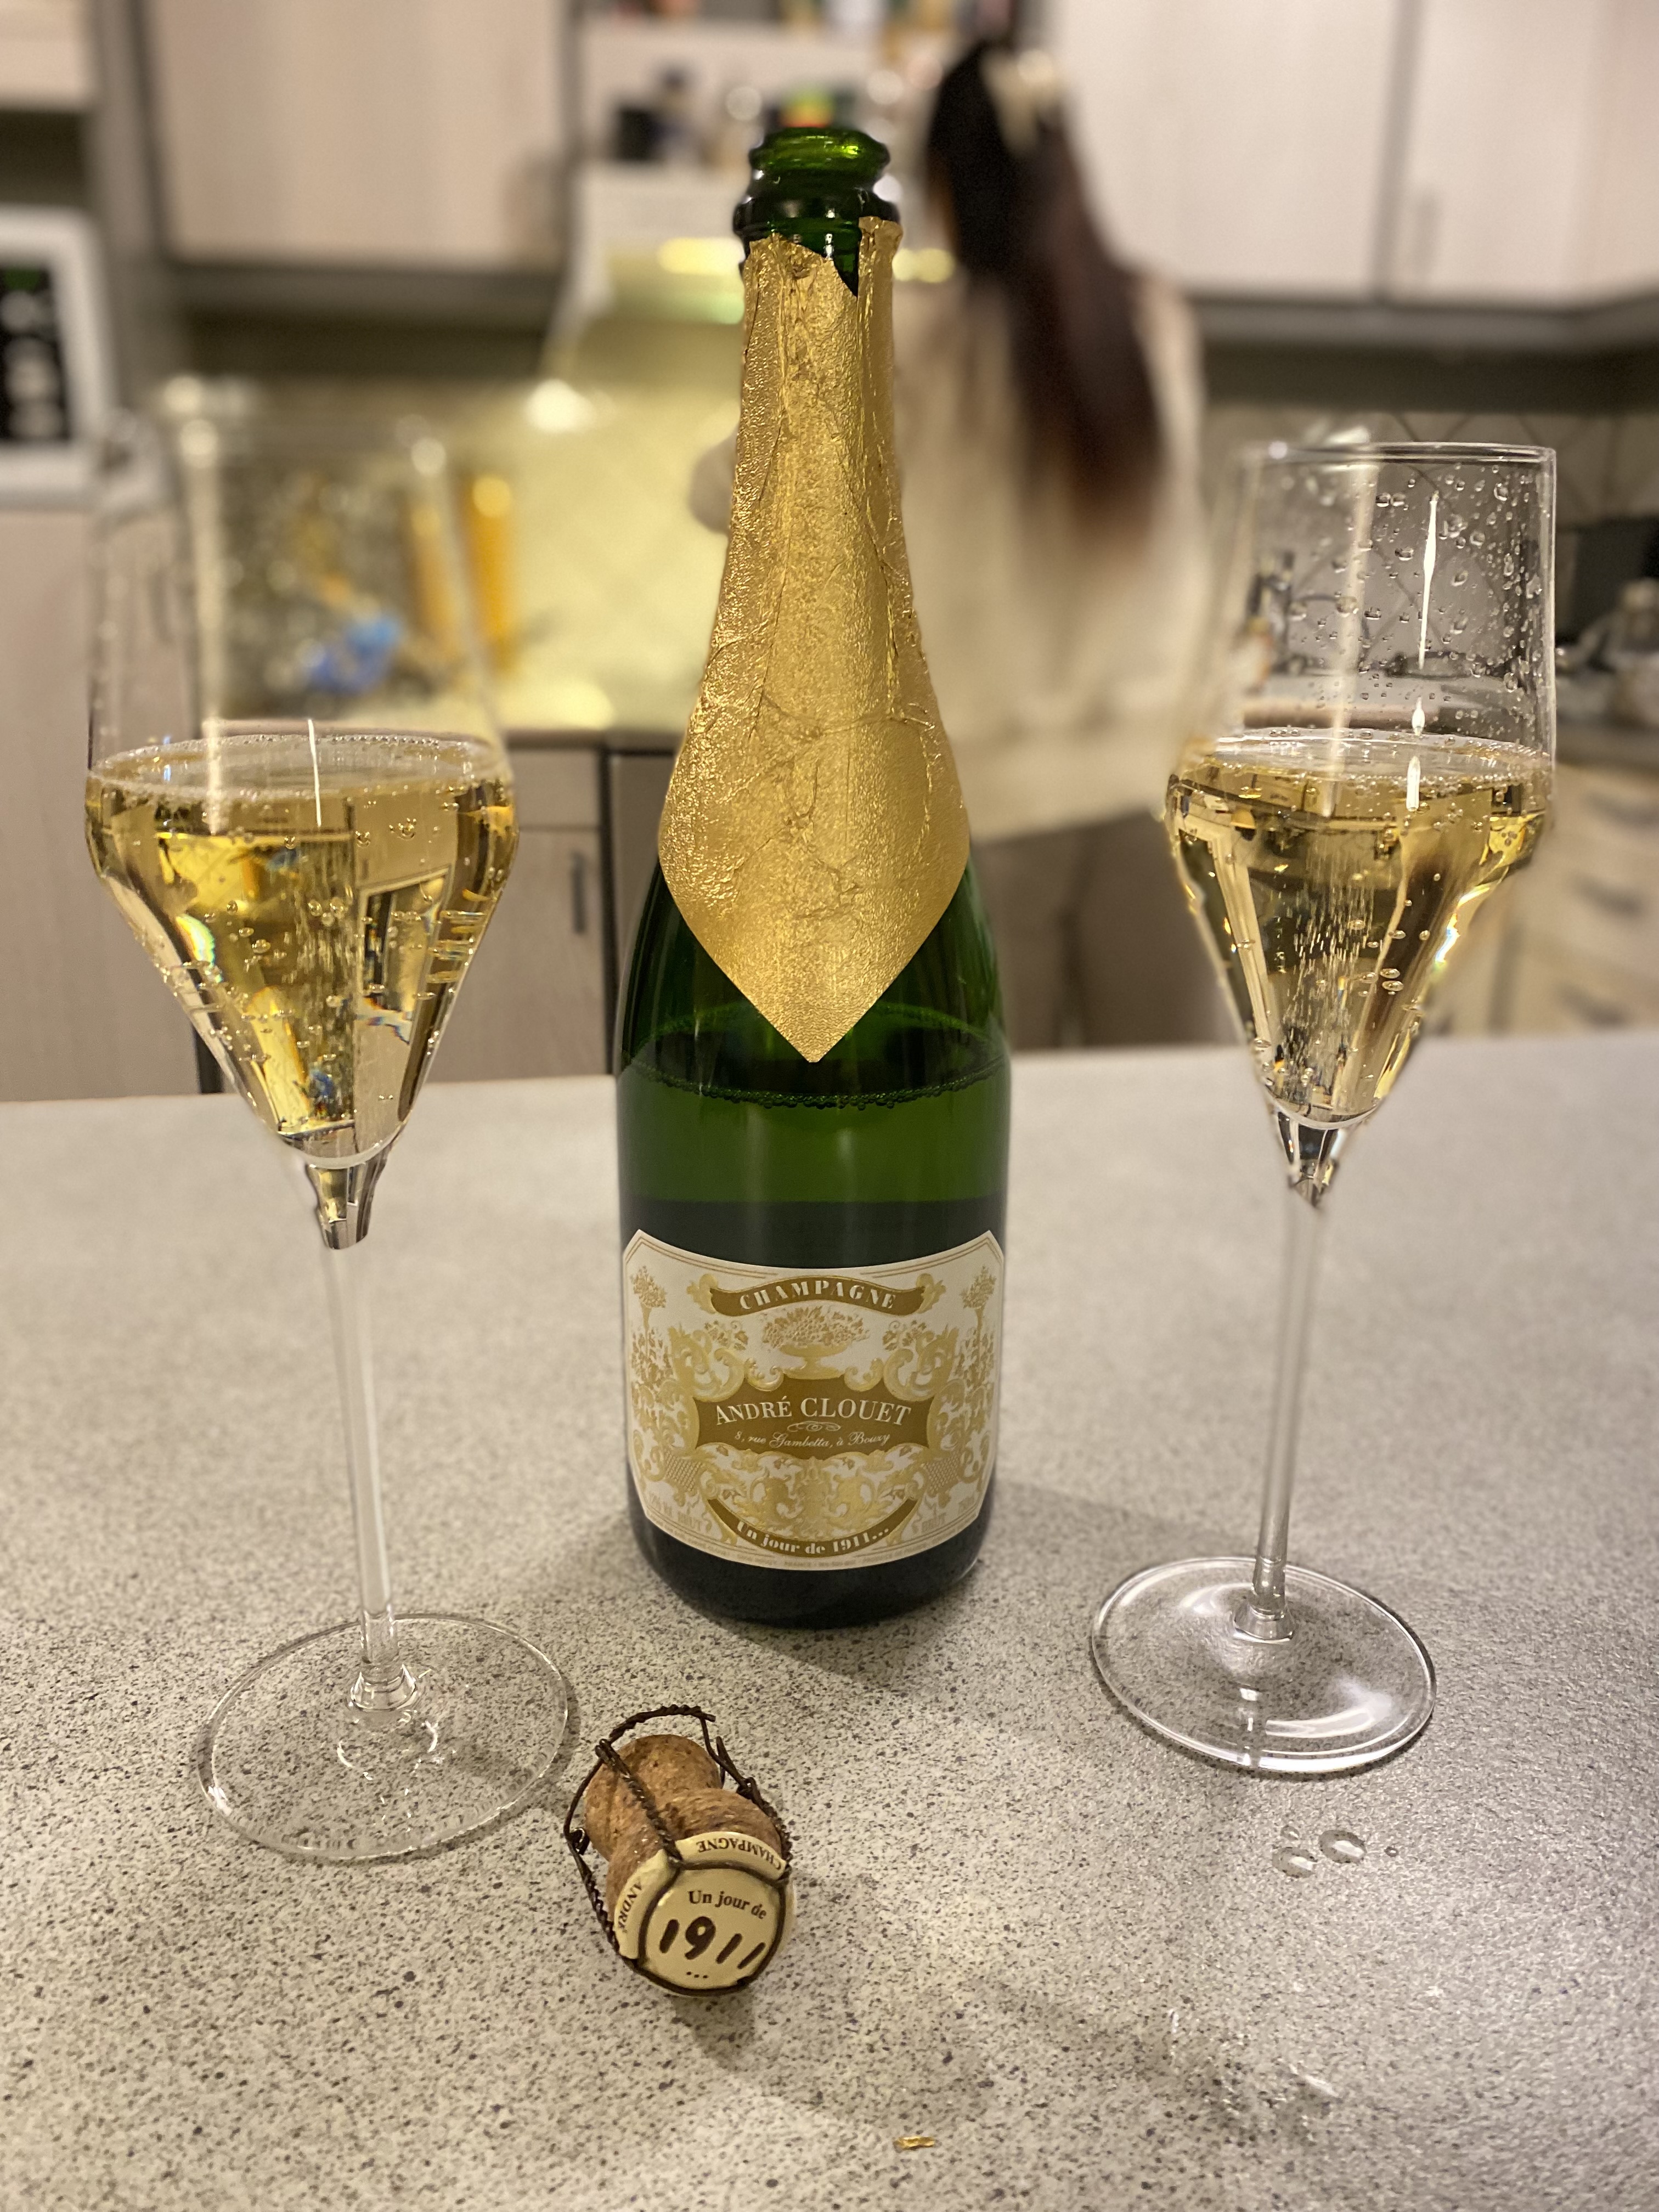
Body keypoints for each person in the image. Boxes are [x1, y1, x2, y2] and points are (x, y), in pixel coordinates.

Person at [692, 40, 1224, 1047]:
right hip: (1155, 797)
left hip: (979, 813)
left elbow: (729, 493)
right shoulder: (1153, 322)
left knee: (985, 1101)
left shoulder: (913, 341)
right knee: (1159, 1103)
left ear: (942, 182)